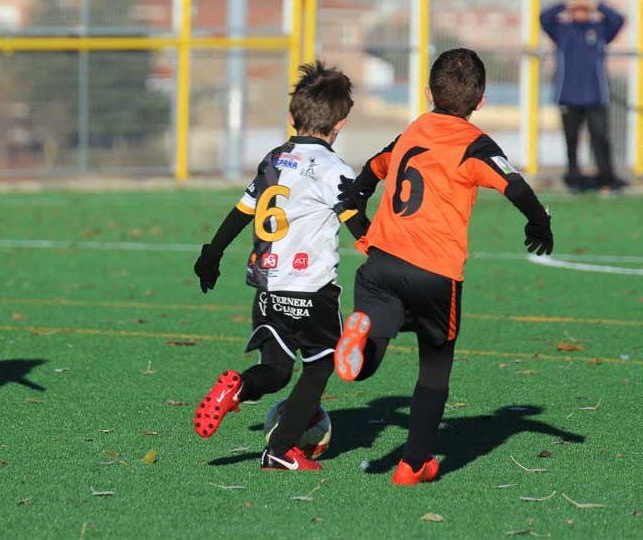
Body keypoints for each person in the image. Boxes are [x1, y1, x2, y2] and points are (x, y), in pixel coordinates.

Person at [334, 48, 554, 485]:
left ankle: (358, 352)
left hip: (382, 262)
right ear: (482, 99)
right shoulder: (474, 144)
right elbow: (515, 186)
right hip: (435, 272)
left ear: (428, 92)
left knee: (374, 341)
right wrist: (540, 221)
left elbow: (374, 167)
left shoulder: (413, 130)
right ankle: (412, 464)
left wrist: (357, 198)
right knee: (434, 367)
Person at [192, 61, 369, 471]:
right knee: (321, 364)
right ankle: (280, 451)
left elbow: (241, 211)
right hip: (312, 290)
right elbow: (357, 225)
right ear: (340, 124)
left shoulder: (274, 159)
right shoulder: (335, 171)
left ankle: (238, 390)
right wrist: (385, 260)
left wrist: (211, 254)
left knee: (274, 370)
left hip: (268, 288)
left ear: (291, 118)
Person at [540, 0, 625, 192]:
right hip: (569, 97)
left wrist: (597, 5)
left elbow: (618, 20)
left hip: (596, 97)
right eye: (577, 9)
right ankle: (574, 178)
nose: (580, 12)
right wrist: (566, 4)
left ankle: (606, 178)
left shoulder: (599, 29)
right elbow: (544, 18)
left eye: (584, 9)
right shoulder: (562, 30)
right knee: (572, 140)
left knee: (600, 137)